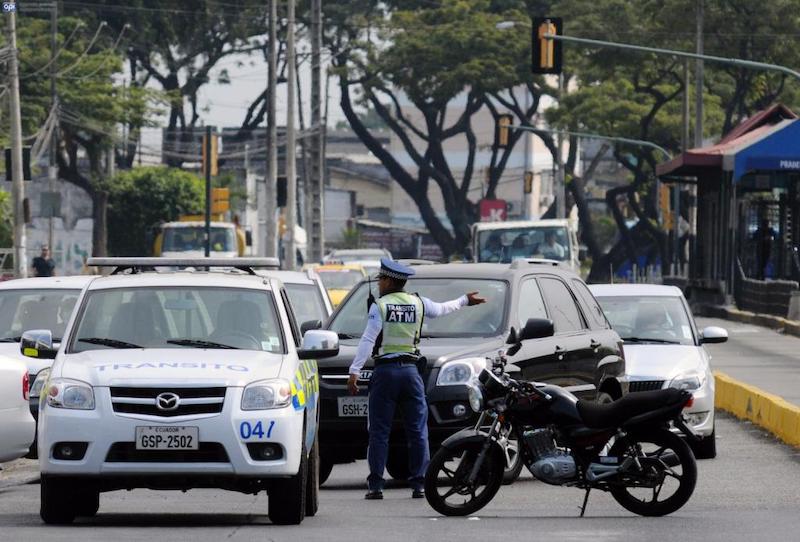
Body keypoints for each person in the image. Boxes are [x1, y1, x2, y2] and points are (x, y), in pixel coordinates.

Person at [347, 258, 486, 500]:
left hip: (385, 373)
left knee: (379, 431)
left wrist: (354, 371)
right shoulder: (419, 303)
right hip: (412, 373)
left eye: (381, 279)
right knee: (417, 430)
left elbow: (368, 340)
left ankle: (376, 485)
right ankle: (420, 484)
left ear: (389, 281)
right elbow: (443, 309)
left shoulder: (379, 306)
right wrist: (465, 300)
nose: (379, 283)